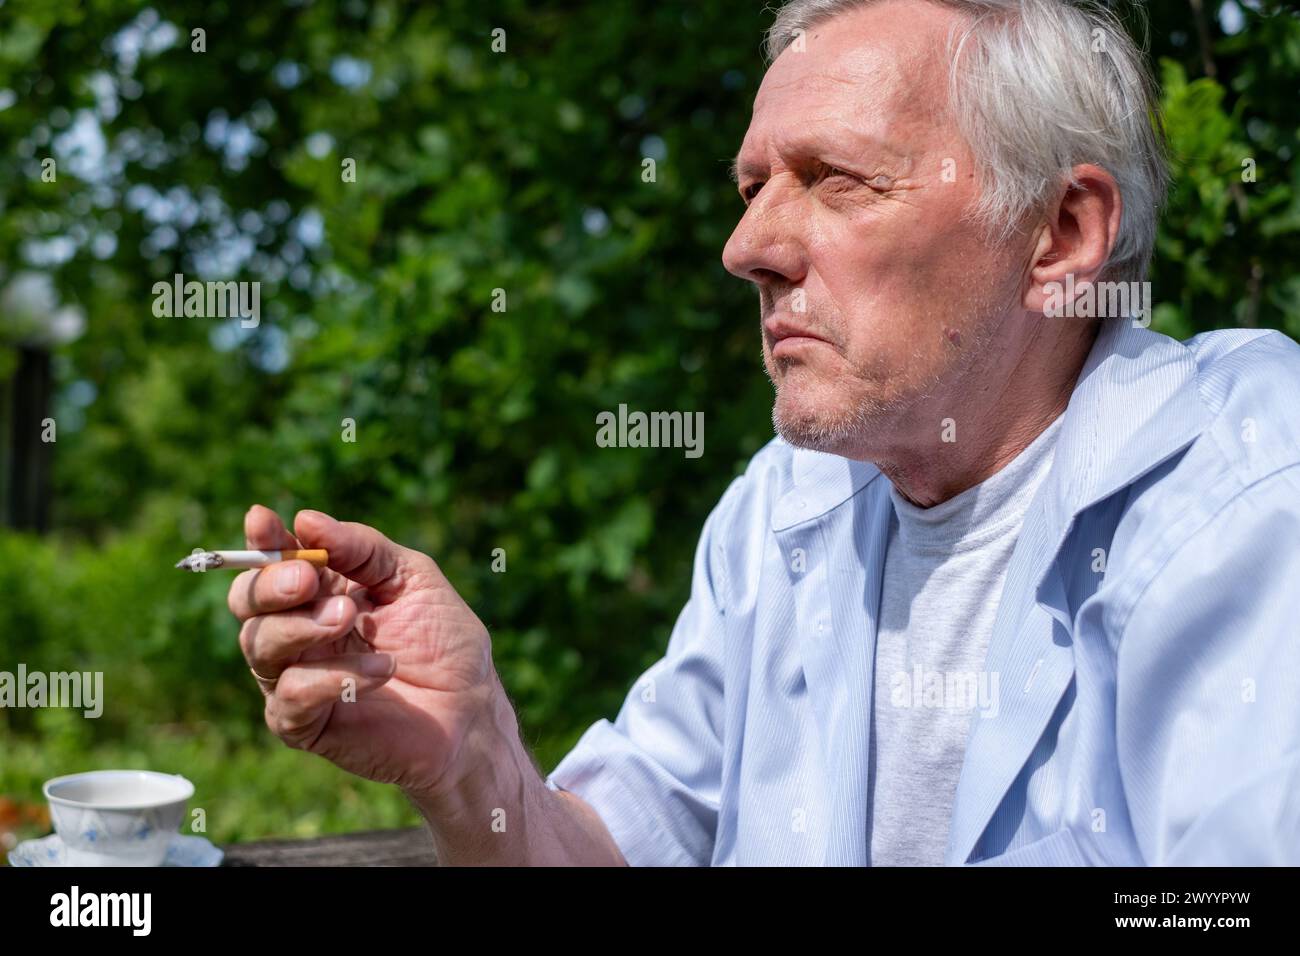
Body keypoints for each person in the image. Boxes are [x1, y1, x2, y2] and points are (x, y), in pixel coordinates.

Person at [226, 0, 1300, 865]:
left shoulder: (1248, 492)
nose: (747, 246)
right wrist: (473, 762)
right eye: (752, 187)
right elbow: (619, 846)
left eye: (836, 181)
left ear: (1061, 232)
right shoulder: (787, 503)